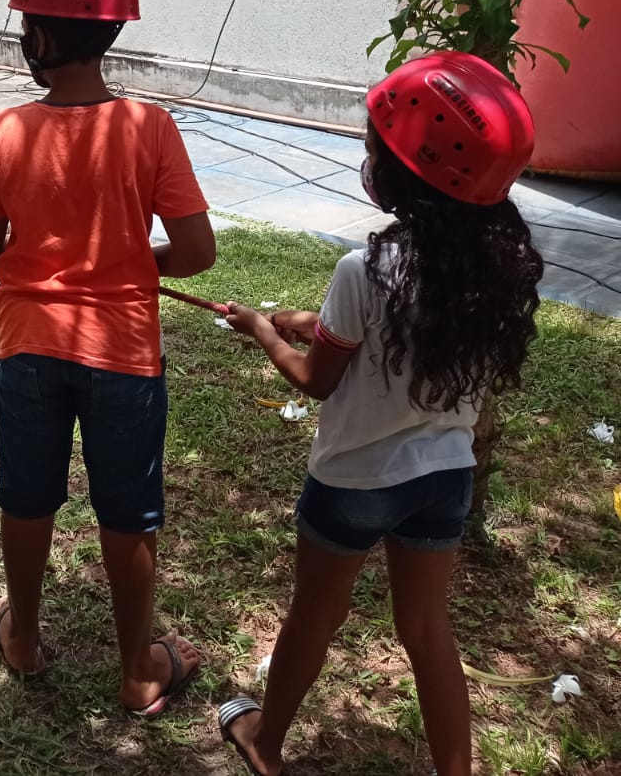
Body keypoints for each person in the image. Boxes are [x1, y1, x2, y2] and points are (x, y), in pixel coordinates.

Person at [216, 52, 542, 776]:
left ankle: (265, 744)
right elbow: (384, 341)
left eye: (374, 147)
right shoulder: (494, 270)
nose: (367, 157)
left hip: (354, 483)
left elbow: (316, 380)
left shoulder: (363, 271)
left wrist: (264, 330)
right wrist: (311, 318)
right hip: (444, 479)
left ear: (411, 172)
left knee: (314, 616)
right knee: (427, 629)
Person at [0, 0, 216, 715]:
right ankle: (139, 671)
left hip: (29, 346)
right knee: (128, 512)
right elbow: (198, 252)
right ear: (111, 33)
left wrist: (31, 243)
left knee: (27, 496)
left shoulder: (5, 129)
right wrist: (133, 264)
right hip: (124, 355)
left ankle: (25, 638)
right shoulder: (150, 127)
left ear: (36, 38)